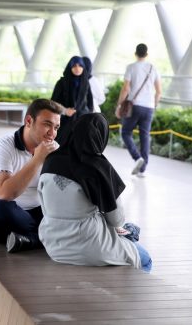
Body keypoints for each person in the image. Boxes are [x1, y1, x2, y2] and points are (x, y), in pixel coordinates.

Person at [38, 113, 152, 272]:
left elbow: (45, 206)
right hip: (90, 246)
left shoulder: (50, 161)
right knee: (144, 258)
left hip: (54, 246)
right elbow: (116, 219)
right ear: (101, 136)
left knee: (129, 231)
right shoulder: (98, 167)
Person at [0, 98, 63, 253]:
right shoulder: (2, 146)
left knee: (72, 211)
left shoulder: (54, 150)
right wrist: (37, 159)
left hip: (34, 214)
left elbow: (61, 191)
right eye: (47, 124)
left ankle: (31, 239)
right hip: (2, 215)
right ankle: (47, 236)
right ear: (29, 121)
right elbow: (5, 194)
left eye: (56, 127)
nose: (52, 133)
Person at [115, 43, 162, 177]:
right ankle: (142, 169)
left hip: (134, 106)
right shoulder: (154, 68)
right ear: (146, 54)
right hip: (149, 107)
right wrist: (154, 104)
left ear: (136, 53)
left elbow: (125, 89)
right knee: (145, 136)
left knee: (125, 132)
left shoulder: (131, 67)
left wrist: (119, 105)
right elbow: (159, 92)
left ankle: (137, 158)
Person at [51, 56, 94, 146]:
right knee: (60, 146)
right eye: (74, 66)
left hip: (82, 120)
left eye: (80, 66)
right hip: (64, 121)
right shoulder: (62, 82)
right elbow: (53, 102)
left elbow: (90, 102)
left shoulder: (85, 83)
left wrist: (89, 116)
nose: (77, 68)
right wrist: (65, 111)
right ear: (70, 67)